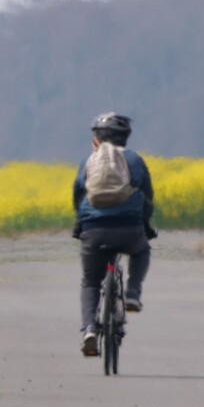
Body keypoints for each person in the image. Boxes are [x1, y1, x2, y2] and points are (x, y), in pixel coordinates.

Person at [72, 112, 157, 357]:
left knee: (90, 281)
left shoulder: (89, 160)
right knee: (141, 251)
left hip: (93, 230)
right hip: (130, 228)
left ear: (96, 138)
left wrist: (81, 223)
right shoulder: (134, 160)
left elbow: (78, 196)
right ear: (125, 137)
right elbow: (148, 198)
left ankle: (89, 328)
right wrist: (146, 224)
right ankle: (132, 293)